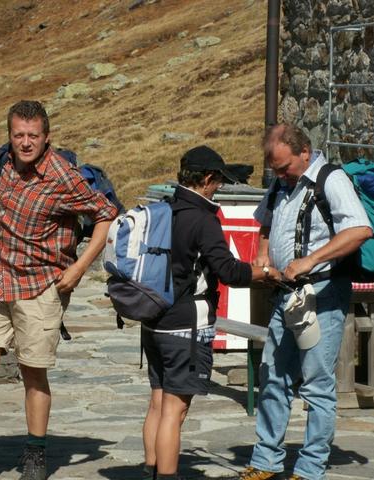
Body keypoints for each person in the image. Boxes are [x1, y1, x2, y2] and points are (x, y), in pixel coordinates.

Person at [0, 100, 118, 480]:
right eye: (18, 135)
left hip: (41, 286)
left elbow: (106, 213)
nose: (25, 143)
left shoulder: (63, 176)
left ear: (46, 137)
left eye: (33, 136)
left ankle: (35, 454)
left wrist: (79, 268)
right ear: (10, 135)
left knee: (32, 373)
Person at [141, 145, 282, 480]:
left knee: (158, 403)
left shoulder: (165, 209)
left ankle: (150, 472)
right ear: (206, 179)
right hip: (186, 325)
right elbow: (228, 271)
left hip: (153, 321)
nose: (219, 187)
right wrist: (265, 273)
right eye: (218, 181)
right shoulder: (202, 218)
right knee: (175, 411)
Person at [241, 124, 372, 480]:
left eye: (284, 167)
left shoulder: (331, 180)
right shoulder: (281, 184)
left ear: (304, 152)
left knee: (316, 384)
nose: (280, 175)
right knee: (273, 376)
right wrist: (263, 256)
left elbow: (360, 229)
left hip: (322, 293)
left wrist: (310, 260)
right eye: (275, 169)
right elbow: (265, 223)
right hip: (286, 294)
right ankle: (266, 461)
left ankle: (310, 468)